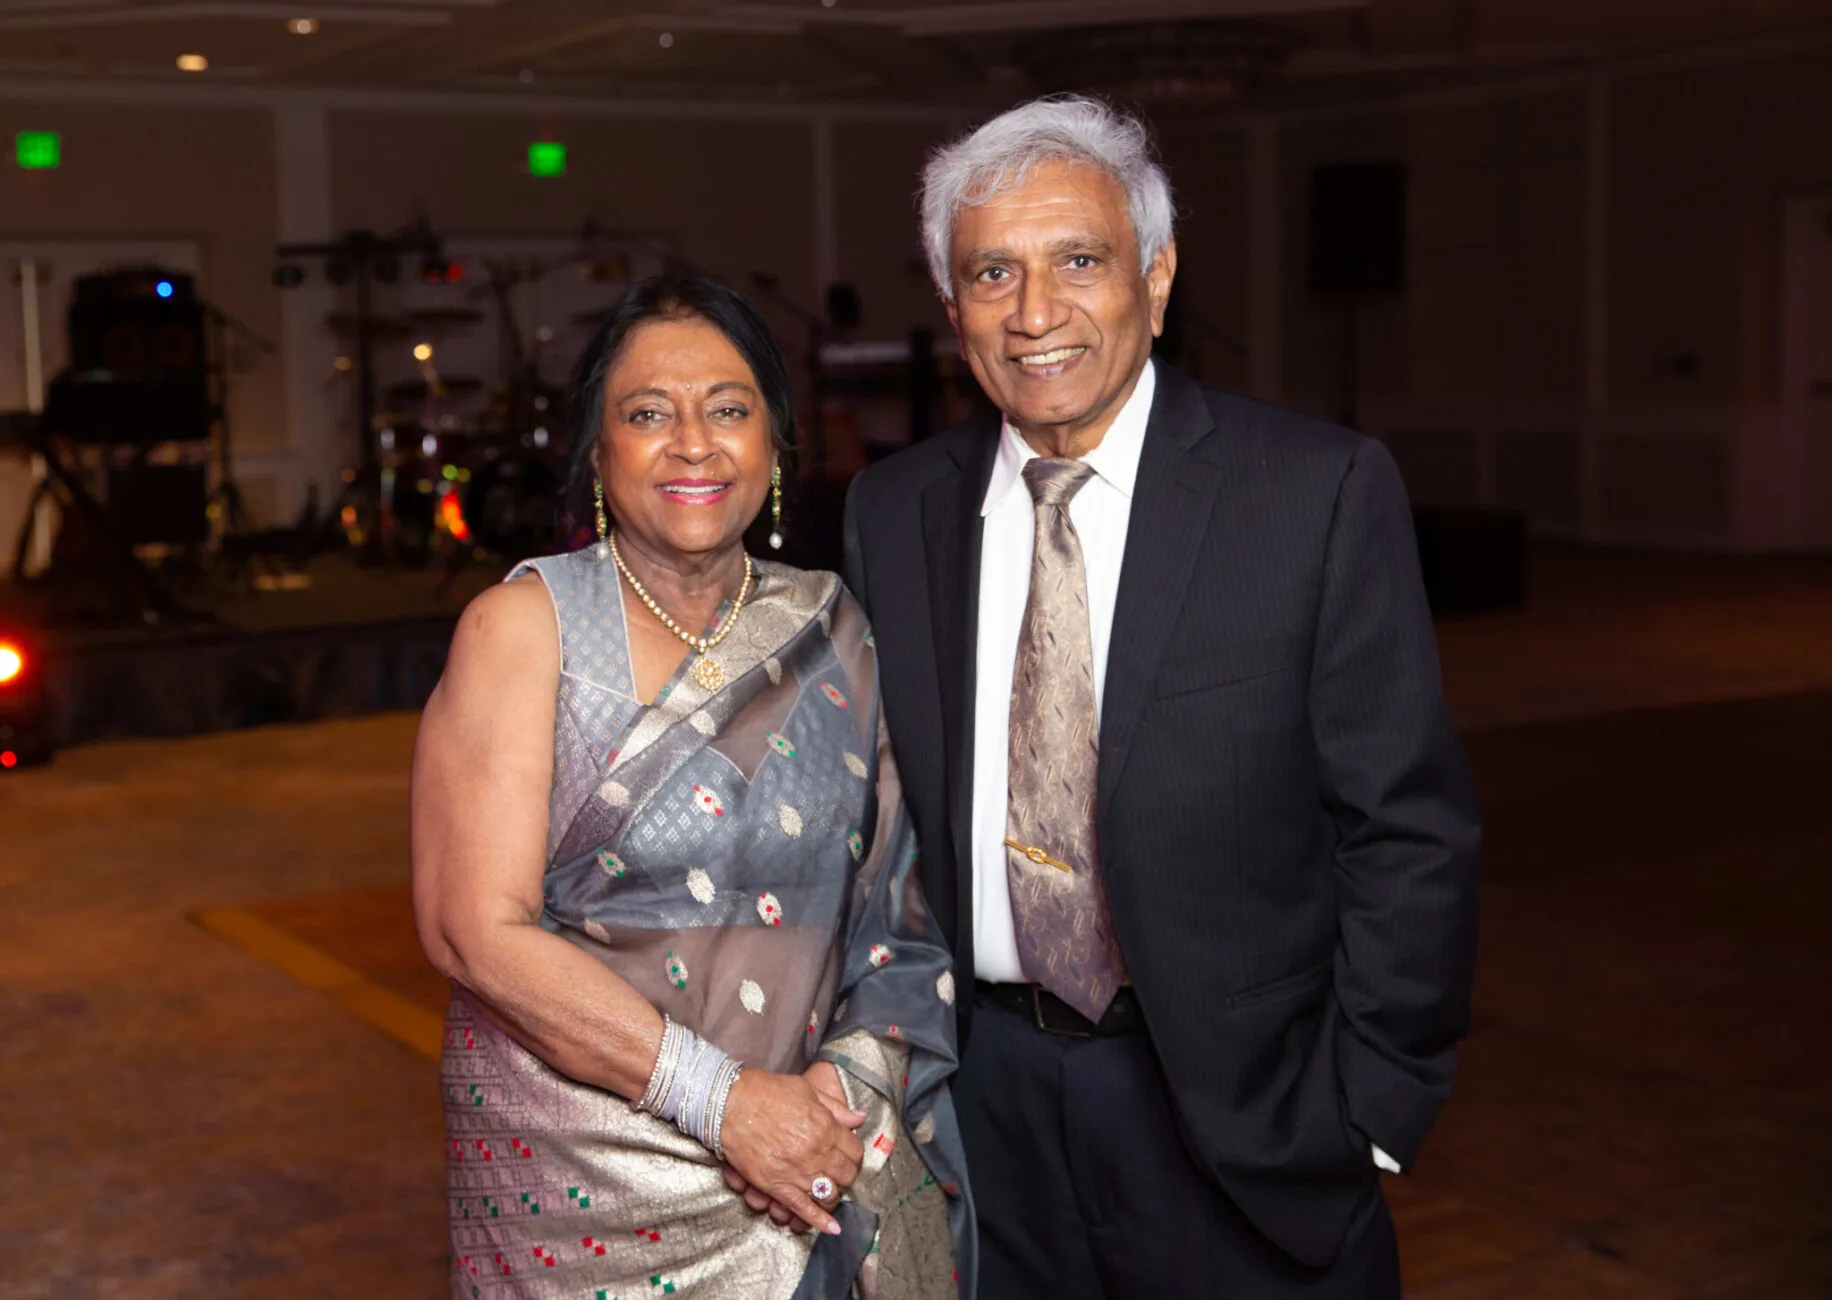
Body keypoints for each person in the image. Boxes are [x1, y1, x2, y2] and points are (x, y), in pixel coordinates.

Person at [843, 96, 1481, 1298]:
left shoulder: (1312, 491)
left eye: (1077, 261)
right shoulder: (892, 512)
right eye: (992, 272)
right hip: (983, 1109)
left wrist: (1370, 1106)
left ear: (1157, 274)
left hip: (1242, 1117)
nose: (1034, 312)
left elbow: (1408, 830)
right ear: (950, 305)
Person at [412, 269, 971, 1300]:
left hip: (807, 1165)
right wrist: (726, 1104)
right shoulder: (525, 629)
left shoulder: (833, 630)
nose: (692, 444)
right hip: (586, 1205)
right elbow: (473, 932)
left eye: (728, 409)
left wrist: (835, 1097)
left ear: (775, 443)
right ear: (597, 452)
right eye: (646, 414)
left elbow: (896, 909)